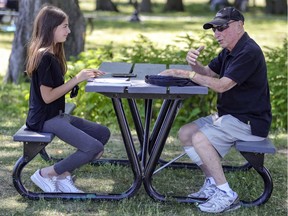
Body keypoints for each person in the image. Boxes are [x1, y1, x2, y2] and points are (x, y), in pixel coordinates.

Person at [160, 7, 271, 213]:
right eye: (214, 29)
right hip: (229, 116)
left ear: (239, 25)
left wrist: (185, 74)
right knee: (186, 133)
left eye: (222, 28)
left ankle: (227, 194)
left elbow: (222, 85)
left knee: (201, 138)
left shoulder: (248, 51)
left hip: (249, 121)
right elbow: (208, 73)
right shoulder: (230, 51)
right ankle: (212, 183)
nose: (217, 33)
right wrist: (194, 65)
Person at [25, 5, 110, 193]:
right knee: (93, 148)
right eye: (65, 26)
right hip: (44, 119)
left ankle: (62, 174)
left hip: (57, 115)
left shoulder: (53, 54)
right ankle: (46, 173)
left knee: (102, 133)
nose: (69, 31)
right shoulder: (44, 57)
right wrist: (77, 79)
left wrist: (83, 76)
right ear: (51, 28)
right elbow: (47, 98)